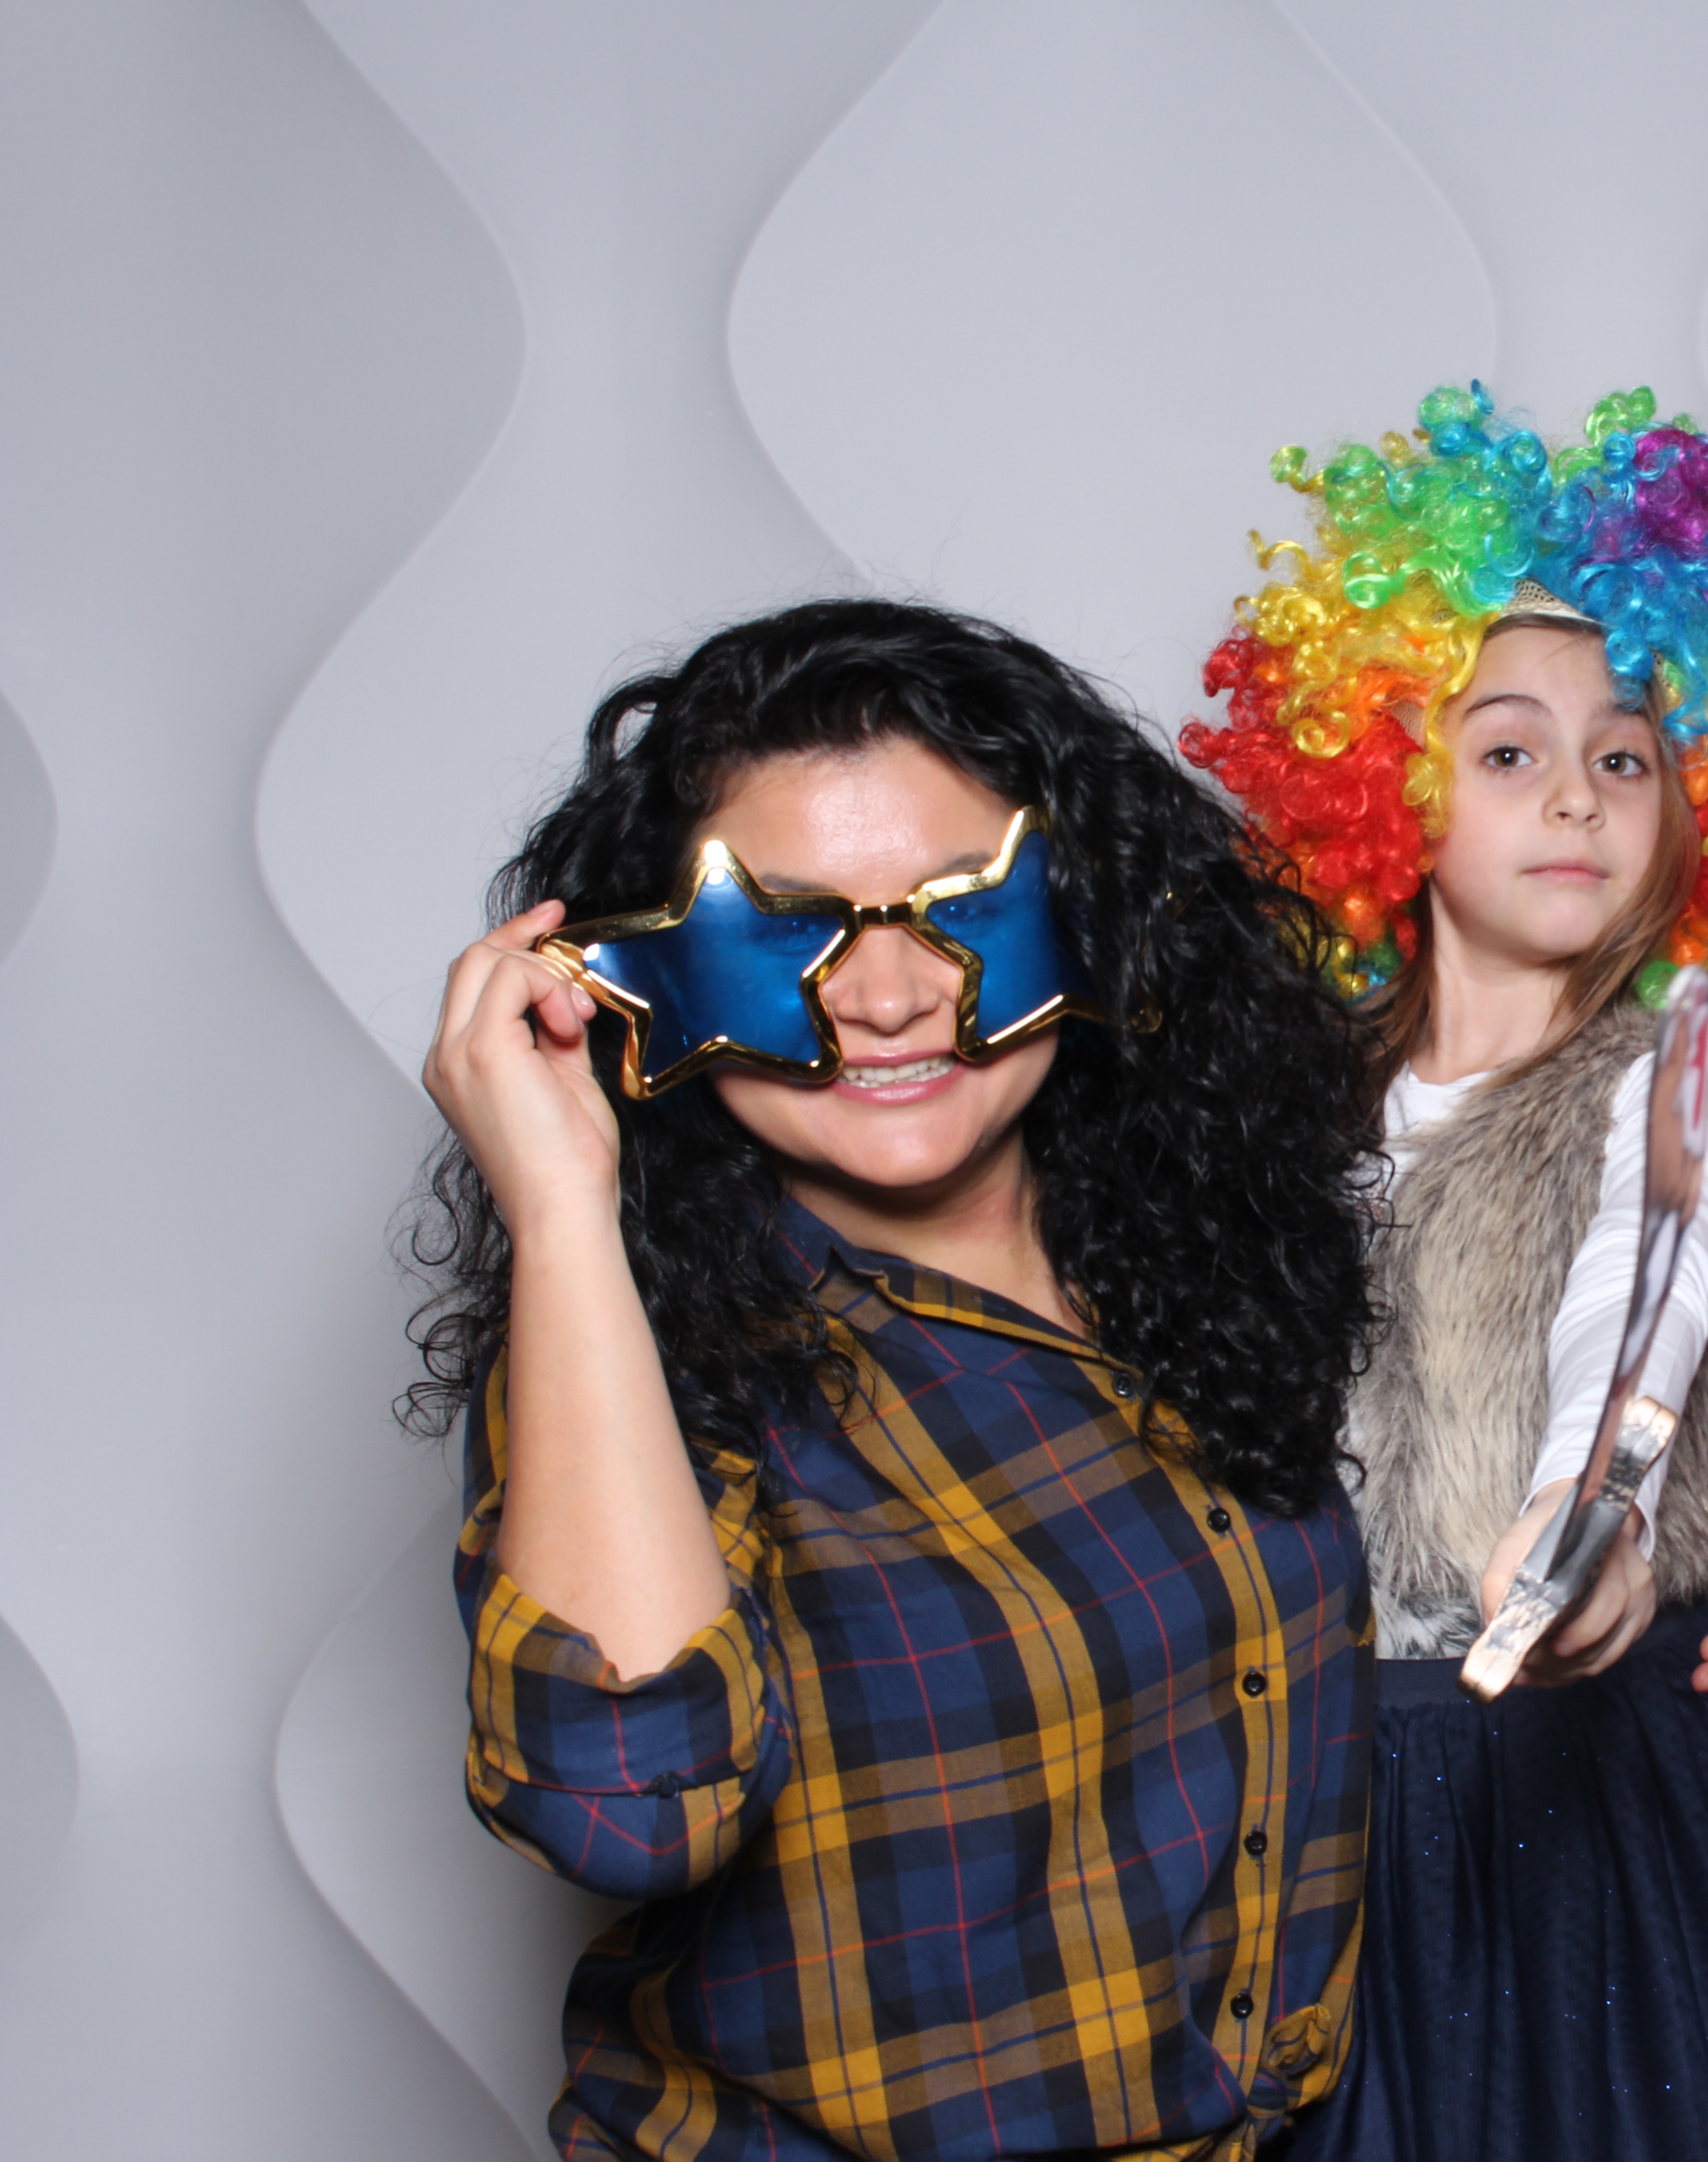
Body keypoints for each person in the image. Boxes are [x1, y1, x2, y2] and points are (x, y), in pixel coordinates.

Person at [411, 599, 1383, 2161]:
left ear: (1089, 911)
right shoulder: (639, 1350)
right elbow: (627, 1811)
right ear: (646, 977)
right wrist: (563, 1209)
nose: (886, 997)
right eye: (785, 933)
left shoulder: (1193, 1243)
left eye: (963, 908)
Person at [1179, 384, 1708, 2161]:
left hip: (1603, 1817)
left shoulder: (1683, 1082)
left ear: (1698, 804)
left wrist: (1590, 1517)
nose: (1577, 796)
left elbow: (1642, 1286)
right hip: (1315, 1812)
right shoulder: (1273, 1106)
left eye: (1627, 757)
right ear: (1386, 782)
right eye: (1508, 753)